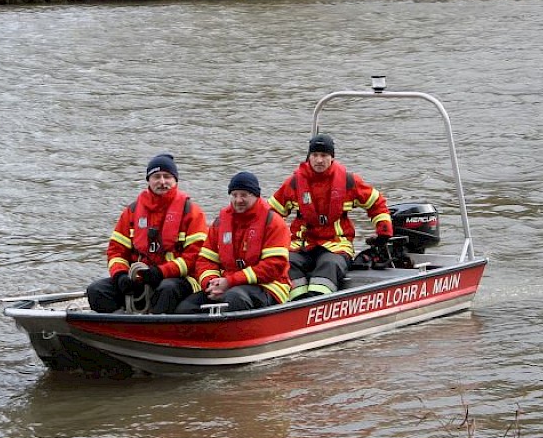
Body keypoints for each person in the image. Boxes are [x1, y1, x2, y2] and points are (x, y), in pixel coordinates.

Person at [269, 133, 393, 299]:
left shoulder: (349, 182)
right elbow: (270, 215)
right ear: (309, 157)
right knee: (285, 263)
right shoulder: (294, 184)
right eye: (315, 155)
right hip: (301, 245)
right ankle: (296, 303)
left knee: (329, 265)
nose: (319, 160)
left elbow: (376, 203)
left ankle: (318, 302)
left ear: (332, 158)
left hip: (337, 245)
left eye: (324, 155)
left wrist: (383, 231)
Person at [86, 153, 208, 314]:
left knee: (167, 289)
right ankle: (122, 327)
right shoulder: (132, 211)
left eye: (167, 177)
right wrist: (121, 275)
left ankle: (154, 332)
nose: (162, 182)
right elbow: (116, 251)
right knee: (96, 290)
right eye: (156, 176)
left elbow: (195, 257)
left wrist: (161, 272)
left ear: (175, 181)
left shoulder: (191, 212)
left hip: (180, 279)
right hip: (140, 279)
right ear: (148, 180)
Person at [176, 171, 292, 313]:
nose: (238, 200)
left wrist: (230, 282)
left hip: (268, 286)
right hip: (227, 285)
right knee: (186, 308)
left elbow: (273, 267)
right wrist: (211, 283)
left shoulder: (273, 222)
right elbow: (205, 260)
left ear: (256, 196)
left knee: (234, 299)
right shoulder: (221, 222)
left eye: (244, 195)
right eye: (234, 195)